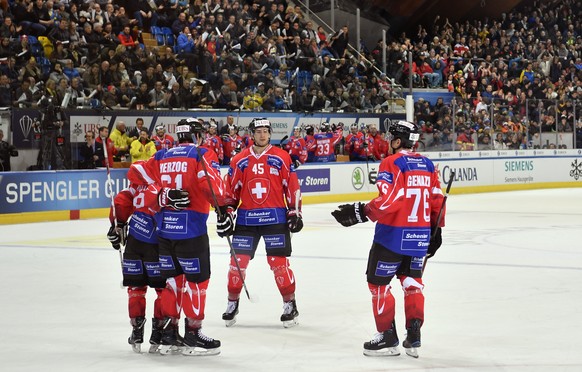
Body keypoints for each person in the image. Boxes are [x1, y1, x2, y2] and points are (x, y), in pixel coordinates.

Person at [331, 120, 445, 358]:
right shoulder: (427, 164)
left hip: (392, 236)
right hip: (420, 236)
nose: (385, 140)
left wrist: (361, 212)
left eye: (389, 136)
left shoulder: (391, 162)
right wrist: (437, 230)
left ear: (396, 141)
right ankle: (414, 336)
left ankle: (387, 337)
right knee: (412, 283)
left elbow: (393, 200)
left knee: (378, 285)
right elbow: (437, 199)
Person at [130, 118, 231, 356]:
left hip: (164, 233)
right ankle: (194, 335)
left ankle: (169, 334)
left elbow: (134, 172)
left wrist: (163, 194)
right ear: (198, 135)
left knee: (173, 282)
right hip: (191, 231)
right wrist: (224, 209)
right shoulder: (201, 153)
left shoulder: (161, 156)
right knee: (197, 283)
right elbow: (211, 184)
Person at [221, 118, 303, 328]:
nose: (263, 135)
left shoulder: (282, 157)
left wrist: (295, 212)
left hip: (275, 218)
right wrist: (227, 213)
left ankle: (289, 304)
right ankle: (232, 303)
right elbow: (231, 191)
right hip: (247, 219)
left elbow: (292, 186)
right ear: (251, 133)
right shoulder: (239, 159)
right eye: (258, 131)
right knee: (237, 264)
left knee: (278, 264)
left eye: (266, 131)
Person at [106, 164, 176, 354]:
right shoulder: (163, 185)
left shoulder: (135, 186)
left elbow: (120, 203)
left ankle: (137, 330)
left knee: (136, 288)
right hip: (155, 243)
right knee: (162, 289)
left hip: (134, 243)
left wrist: (116, 224)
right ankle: (158, 331)